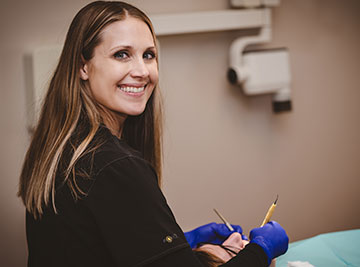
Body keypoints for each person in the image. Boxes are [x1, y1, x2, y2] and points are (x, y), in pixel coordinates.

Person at [18, 1, 289, 266]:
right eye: (121, 54)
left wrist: (181, 243)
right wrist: (262, 249)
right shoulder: (115, 167)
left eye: (149, 55)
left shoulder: (62, 148)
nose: (142, 71)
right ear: (83, 66)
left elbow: (93, 247)